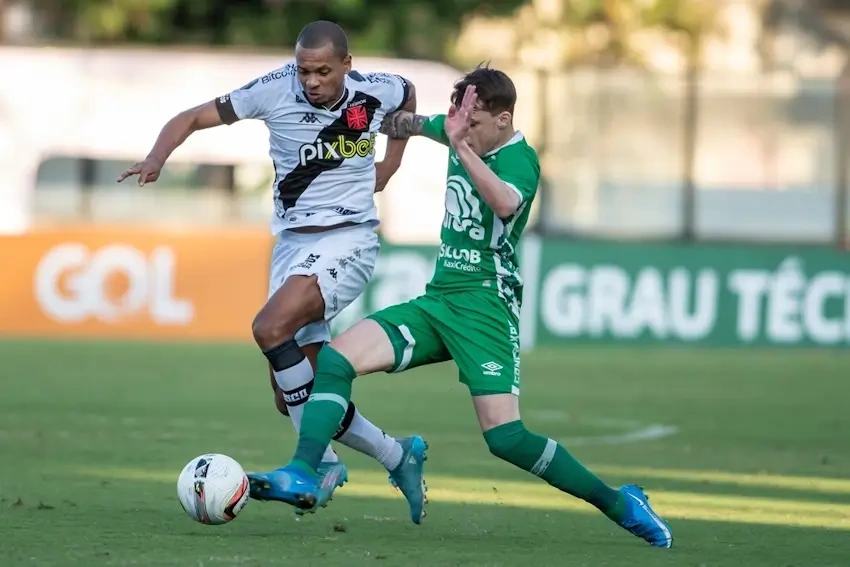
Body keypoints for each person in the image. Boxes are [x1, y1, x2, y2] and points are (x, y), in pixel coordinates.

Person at [246, 65, 674, 547]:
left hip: (485, 310)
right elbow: (399, 122)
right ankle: (305, 471)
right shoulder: (460, 129)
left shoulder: (521, 160)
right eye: (459, 120)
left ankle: (620, 503)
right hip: (440, 300)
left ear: (503, 119)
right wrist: (361, 119)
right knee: (337, 359)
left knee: (505, 438)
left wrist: (460, 144)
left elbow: (505, 205)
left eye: (473, 122)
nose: (461, 128)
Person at [116, 20, 428, 522]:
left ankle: (318, 467)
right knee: (294, 399)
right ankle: (398, 454)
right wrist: (157, 156)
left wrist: (391, 164)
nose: (311, 81)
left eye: (323, 71)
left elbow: (408, 95)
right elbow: (193, 117)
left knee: (268, 327)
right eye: (305, 71)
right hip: (291, 247)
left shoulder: (377, 89)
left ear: (348, 65)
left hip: (349, 238)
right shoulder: (272, 90)